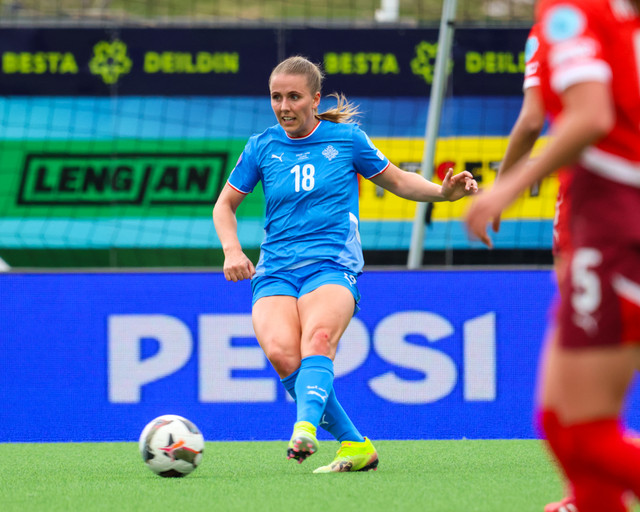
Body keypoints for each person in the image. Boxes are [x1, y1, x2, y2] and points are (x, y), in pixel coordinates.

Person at [213, 55, 478, 472]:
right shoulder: (261, 146)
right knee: (282, 354)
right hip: (276, 269)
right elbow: (224, 206)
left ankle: (304, 428)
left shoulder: (347, 139)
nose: (284, 106)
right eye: (276, 97)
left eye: (294, 97)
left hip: (331, 264)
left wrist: (444, 194)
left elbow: (398, 180)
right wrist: (232, 250)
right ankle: (355, 445)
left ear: (315, 99)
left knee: (318, 339)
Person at [465, 1, 640, 511]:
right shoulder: (598, 15)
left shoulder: (571, 11)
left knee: (584, 433)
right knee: (560, 423)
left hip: (614, 226)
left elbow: (585, 116)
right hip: (602, 223)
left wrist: (506, 187)